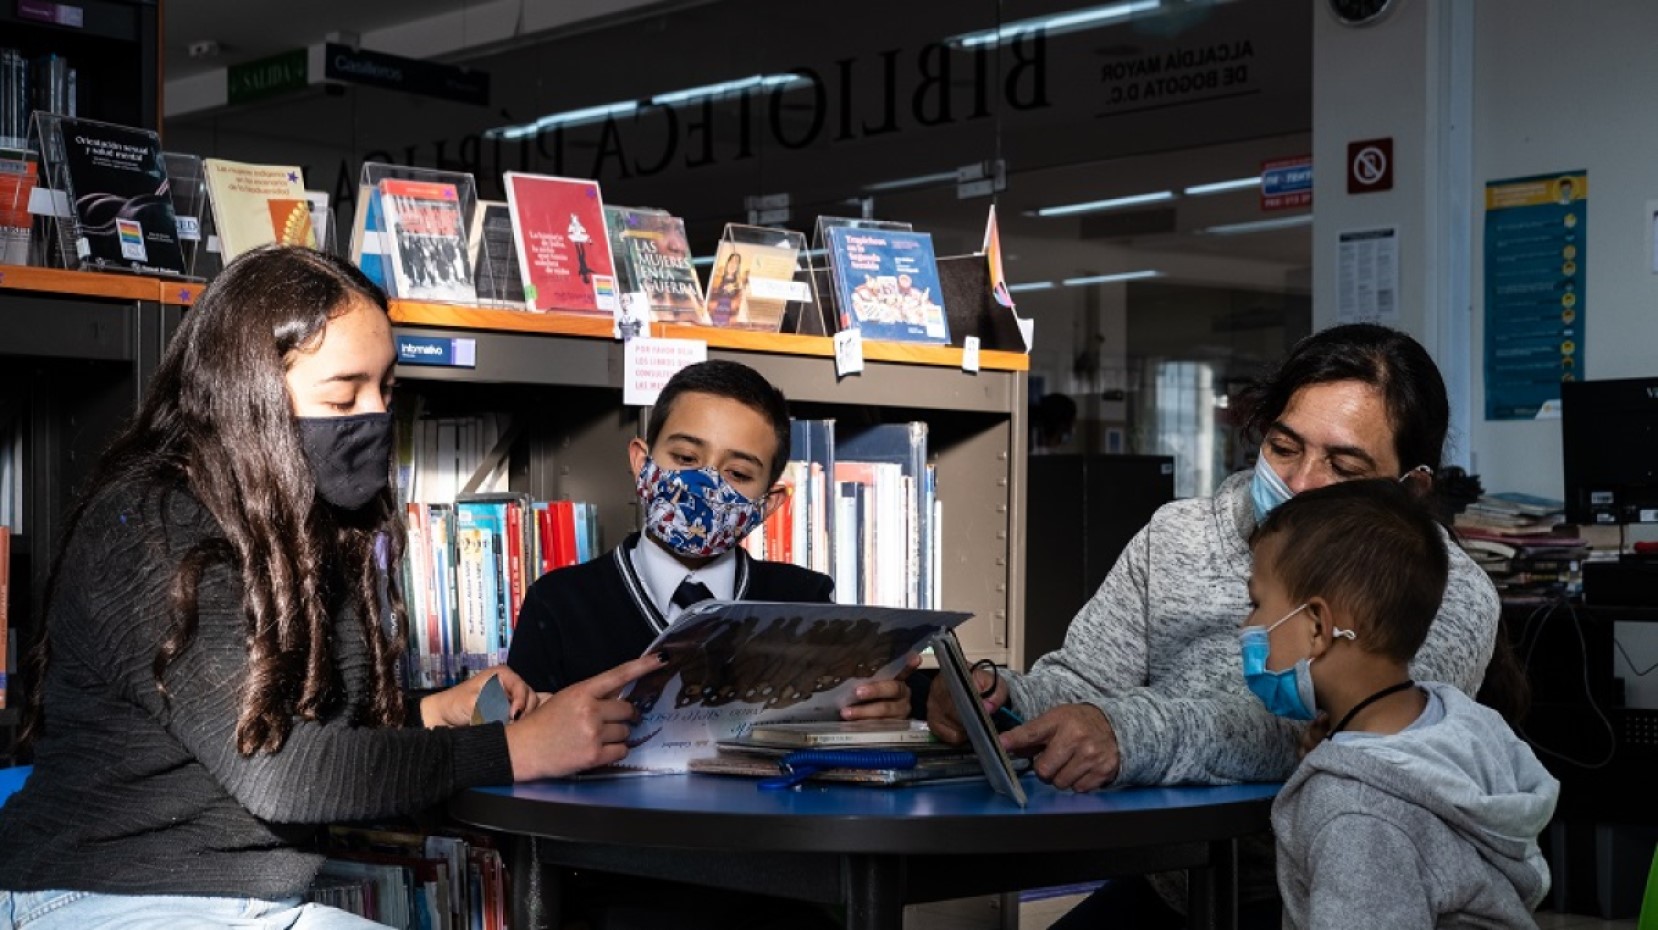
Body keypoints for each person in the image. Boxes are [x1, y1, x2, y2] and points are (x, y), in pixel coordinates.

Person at [0, 247, 663, 928]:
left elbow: (277, 733)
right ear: (249, 398)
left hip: (238, 905)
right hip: (98, 899)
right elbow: (282, 774)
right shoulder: (153, 528)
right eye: (343, 398)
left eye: (387, 391)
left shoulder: (310, 523)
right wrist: (516, 750)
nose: (373, 416)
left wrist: (432, 714)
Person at [929, 323, 1503, 927]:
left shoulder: (1442, 593)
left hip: (1326, 894)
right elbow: (1086, 682)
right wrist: (1001, 701)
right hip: (1171, 883)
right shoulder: (1179, 536)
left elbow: (1332, 731)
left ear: (1410, 489)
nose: (1301, 484)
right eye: (1284, 447)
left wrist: (1131, 734)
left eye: (1343, 466)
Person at [508, 358, 913, 718]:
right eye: (686, 458)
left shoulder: (806, 602)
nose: (705, 485)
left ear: (768, 504)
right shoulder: (557, 605)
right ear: (641, 462)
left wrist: (882, 709)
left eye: (738, 473)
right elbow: (523, 742)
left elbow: (863, 709)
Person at [1249, 479, 1557, 928]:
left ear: (1316, 626)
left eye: (1256, 603)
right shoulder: (1463, 729)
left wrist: (1342, 776)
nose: (1247, 624)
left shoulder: (1354, 814)